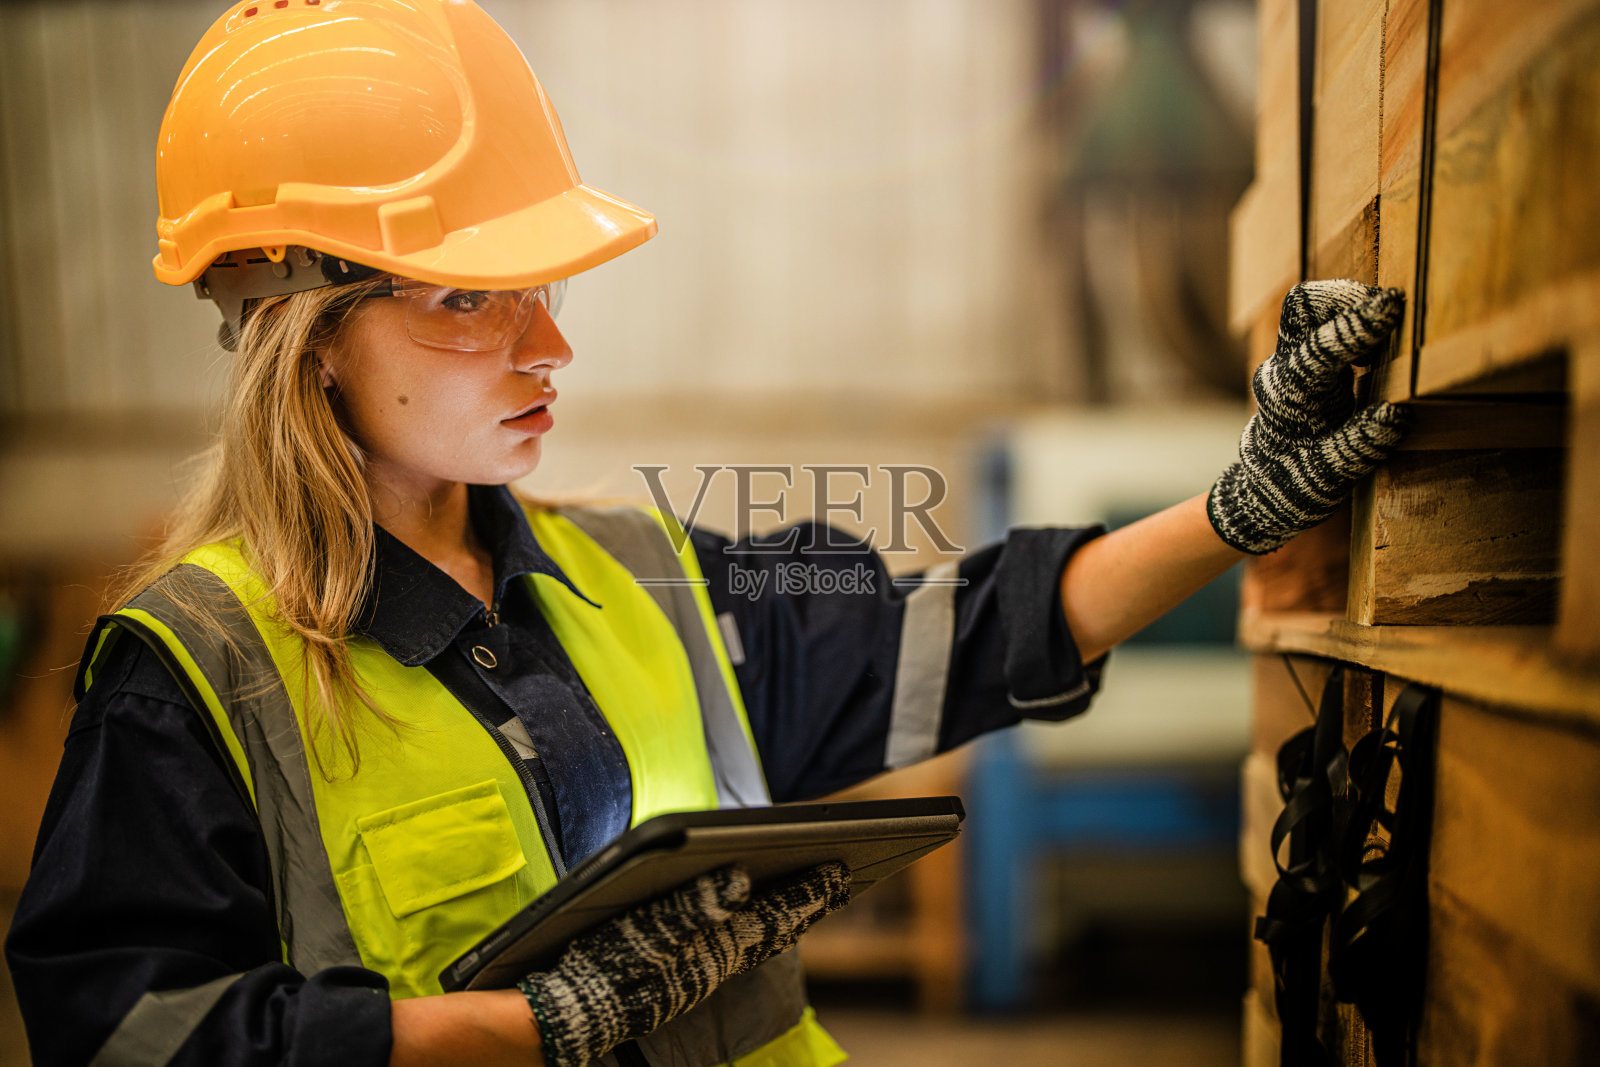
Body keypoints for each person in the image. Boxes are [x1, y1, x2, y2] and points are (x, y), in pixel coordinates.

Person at [3, 1, 1411, 1065]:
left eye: (543, 288)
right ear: (306, 337)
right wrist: (522, 1030)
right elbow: (125, 1029)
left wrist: (1238, 506)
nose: (550, 347)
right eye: (468, 299)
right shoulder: (195, 674)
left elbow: (974, 630)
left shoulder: (644, 573)